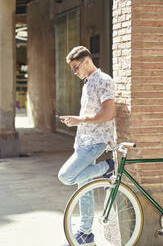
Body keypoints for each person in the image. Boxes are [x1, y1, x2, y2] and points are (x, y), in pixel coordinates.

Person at [58, 46, 115, 246]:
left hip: (95, 143)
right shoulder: (88, 83)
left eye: (75, 68)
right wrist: (76, 122)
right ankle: (86, 234)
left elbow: (109, 114)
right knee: (85, 186)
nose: (75, 73)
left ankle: (107, 167)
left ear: (86, 60)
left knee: (65, 176)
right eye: (72, 69)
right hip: (83, 142)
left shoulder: (103, 80)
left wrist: (79, 120)